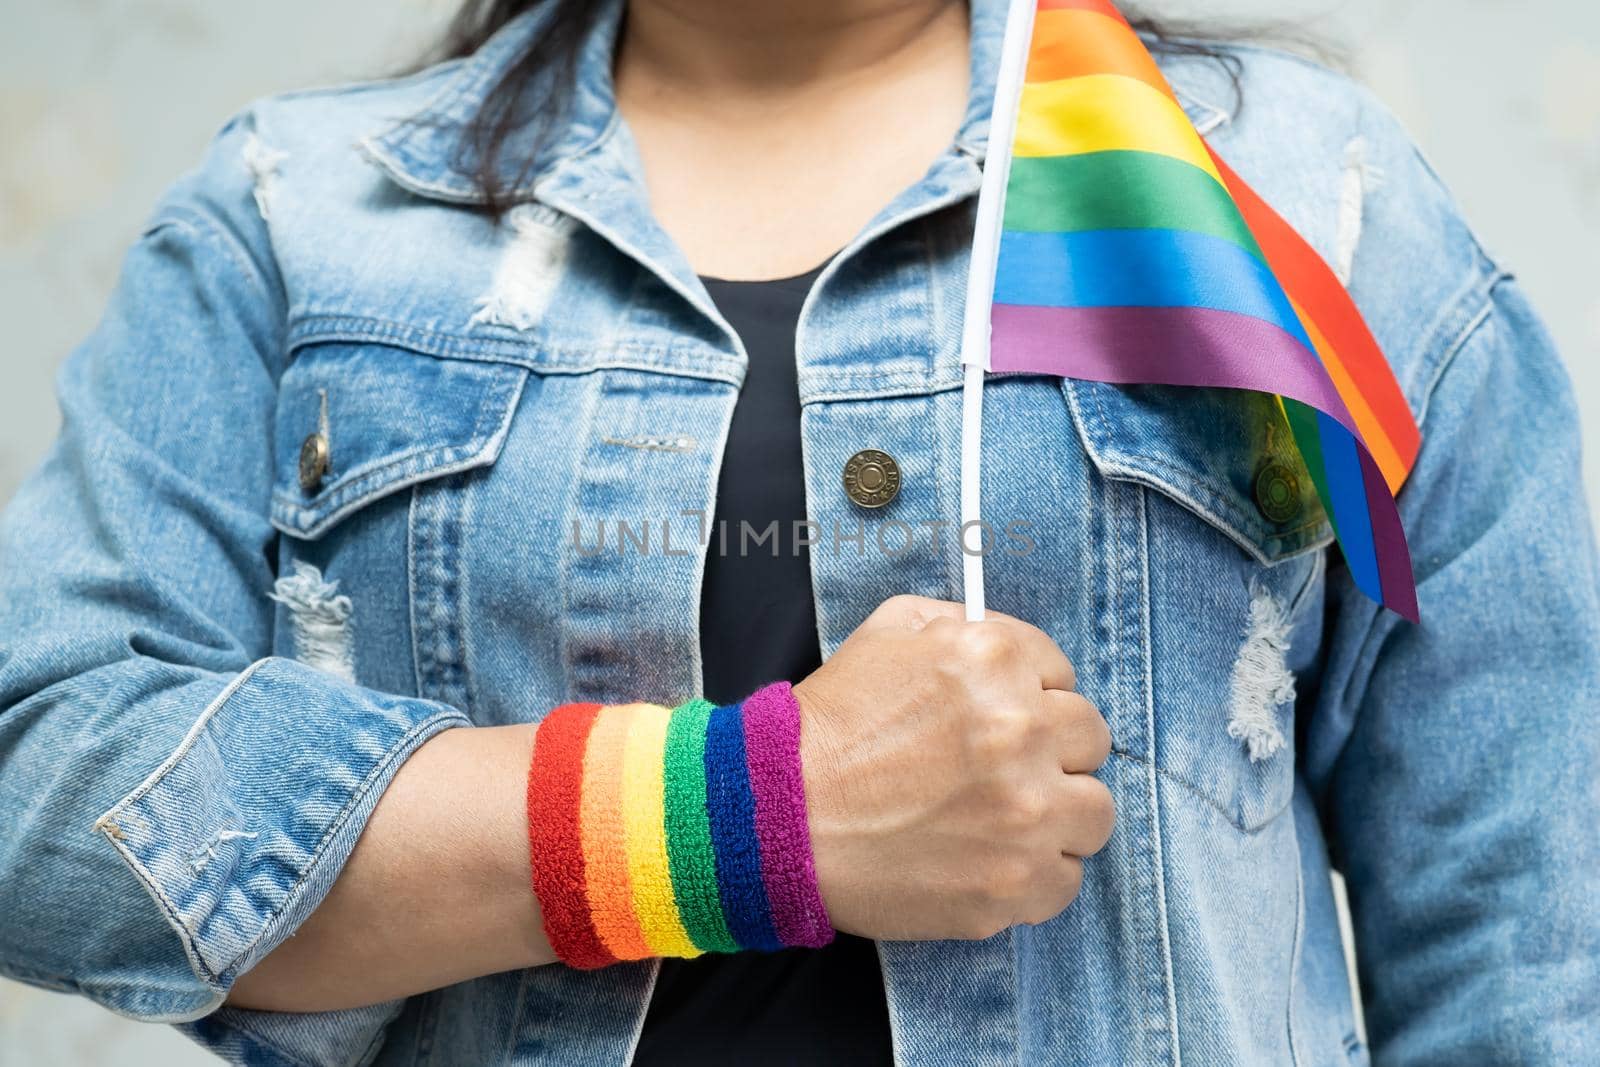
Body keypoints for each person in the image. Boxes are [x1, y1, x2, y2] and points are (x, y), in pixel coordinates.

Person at [1, 0, 1596, 1063]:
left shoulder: (1305, 200)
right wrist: (743, 820)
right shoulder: (295, 217)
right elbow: (40, 783)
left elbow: (1528, 949)